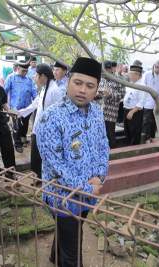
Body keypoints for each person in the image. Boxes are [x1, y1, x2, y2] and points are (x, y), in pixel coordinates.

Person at [36, 57, 109, 267]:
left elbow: (103, 145)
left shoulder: (96, 112)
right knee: (73, 254)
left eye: (90, 86)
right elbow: (55, 164)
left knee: (72, 232)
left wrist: (100, 176)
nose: (83, 90)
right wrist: (87, 187)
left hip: (89, 191)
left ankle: (53, 257)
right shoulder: (51, 117)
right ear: (68, 81)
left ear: (96, 89)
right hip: (63, 195)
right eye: (78, 83)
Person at [15, 64, 65, 178]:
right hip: (38, 130)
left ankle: (45, 179)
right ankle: (36, 177)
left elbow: (59, 114)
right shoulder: (43, 89)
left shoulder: (54, 91)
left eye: (36, 75)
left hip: (49, 133)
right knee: (35, 156)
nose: (34, 78)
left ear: (43, 76)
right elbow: (34, 105)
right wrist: (19, 113)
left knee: (45, 157)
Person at [4, 60, 37, 153]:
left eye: (26, 71)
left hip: (27, 108)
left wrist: (36, 101)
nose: (25, 73)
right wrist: (5, 106)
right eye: (23, 71)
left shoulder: (29, 80)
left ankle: (23, 139)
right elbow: (4, 92)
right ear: (18, 68)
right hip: (15, 108)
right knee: (16, 127)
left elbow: (34, 92)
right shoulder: (11, 78)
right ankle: (17, 143)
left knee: (25, 125)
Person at [96, 60, 125, 148]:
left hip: (110, 113)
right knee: (99, 135)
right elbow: (95, 94)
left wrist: (110, 94)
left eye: (106, 70)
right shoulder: (101, 79)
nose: (104, 72)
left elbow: (121, 95)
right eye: (103, 70)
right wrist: (97, 95)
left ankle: (113, 154)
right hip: (98, 112)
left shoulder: (118, 80)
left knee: (110, 134)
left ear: (111, 69)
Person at [141, 60, 159, 143]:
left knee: (155, 120)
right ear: (154, 66)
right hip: (147, 100)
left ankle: (152, 136)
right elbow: (143, 86)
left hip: (157, 101)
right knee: (147, 120)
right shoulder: (147, 74)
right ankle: (146, 137)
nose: (158, 69)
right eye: (156, 67)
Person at [123, 65, 145, 145]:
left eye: (131, 74)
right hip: (126, 109)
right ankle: (129, 146)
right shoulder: (131, 83)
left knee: (134, 132)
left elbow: (141, 101)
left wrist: (132, 111)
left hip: (135, 112)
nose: (129, 75)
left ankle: (134, 149)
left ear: (137, 75)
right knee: (127, 131)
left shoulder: (141, 86)